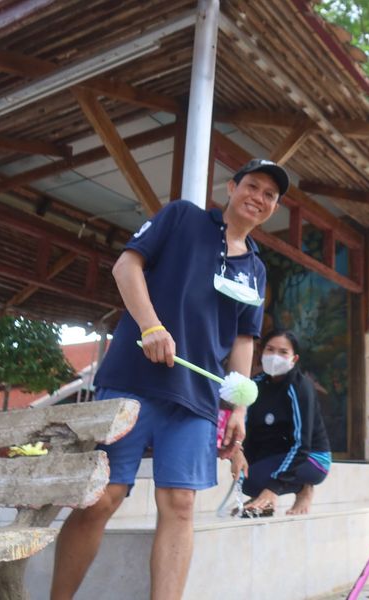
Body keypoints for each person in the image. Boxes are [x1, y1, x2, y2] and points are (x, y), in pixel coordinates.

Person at [50, 158, 290, 600]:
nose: (258, 198)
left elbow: (243, 340)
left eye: (269, 195)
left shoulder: (256, 269)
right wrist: (151, 326)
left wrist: (238, 408)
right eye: (252, 186)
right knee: (103, 497)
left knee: (181, 505)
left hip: (197, 400)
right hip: (132, 381)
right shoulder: (182, 217)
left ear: (274, 208)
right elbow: (125, 267)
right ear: (232, 187)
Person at [231, 328, 331, 516]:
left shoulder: (299, 387)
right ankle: (262, 498)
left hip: (311, 458)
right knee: (247, 480)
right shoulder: (255, 385)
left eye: (283, 352)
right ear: (261, 352)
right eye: (270, 349)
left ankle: (303, 488)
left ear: (294, 359)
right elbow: (246, 429)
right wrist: (238, 452)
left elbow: (302, 445)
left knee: (259, 479)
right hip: (278, 453)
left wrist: (273, 487)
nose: (275, 356)